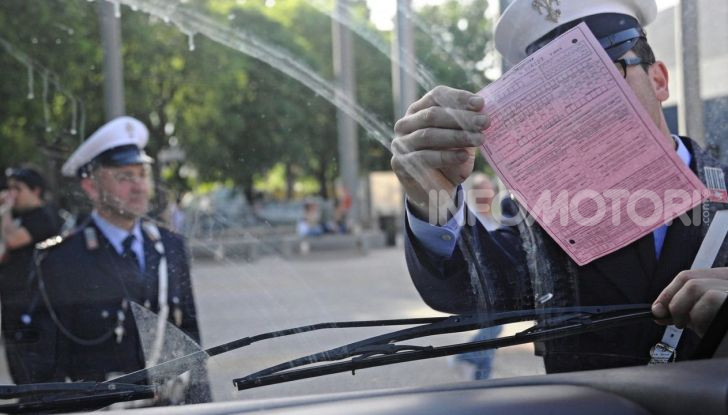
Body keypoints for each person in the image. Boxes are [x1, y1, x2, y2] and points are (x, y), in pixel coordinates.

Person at [390, 0, 728, 373]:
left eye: (601, 73)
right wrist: (431, 198)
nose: (577, 105)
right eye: (550, 97)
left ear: (658, 80)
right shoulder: (545, 209)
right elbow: (469, 287)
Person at [32, 116, 209, 403]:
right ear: (91, 187)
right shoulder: (61, 259)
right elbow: (46, 365)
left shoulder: (171, 246)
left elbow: (189, 341)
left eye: (142, 174)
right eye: (124, 177)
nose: (138, 186)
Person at [0, 167, 62, 383]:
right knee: (19, 370)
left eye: (18, 188)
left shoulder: (44, 216)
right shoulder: (19, 218)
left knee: (35, 375)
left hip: (35, 308)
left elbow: (12, 240)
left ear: (35, 191)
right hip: (13, 306)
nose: (11, 194)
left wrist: (5, 208)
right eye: (9, 188)